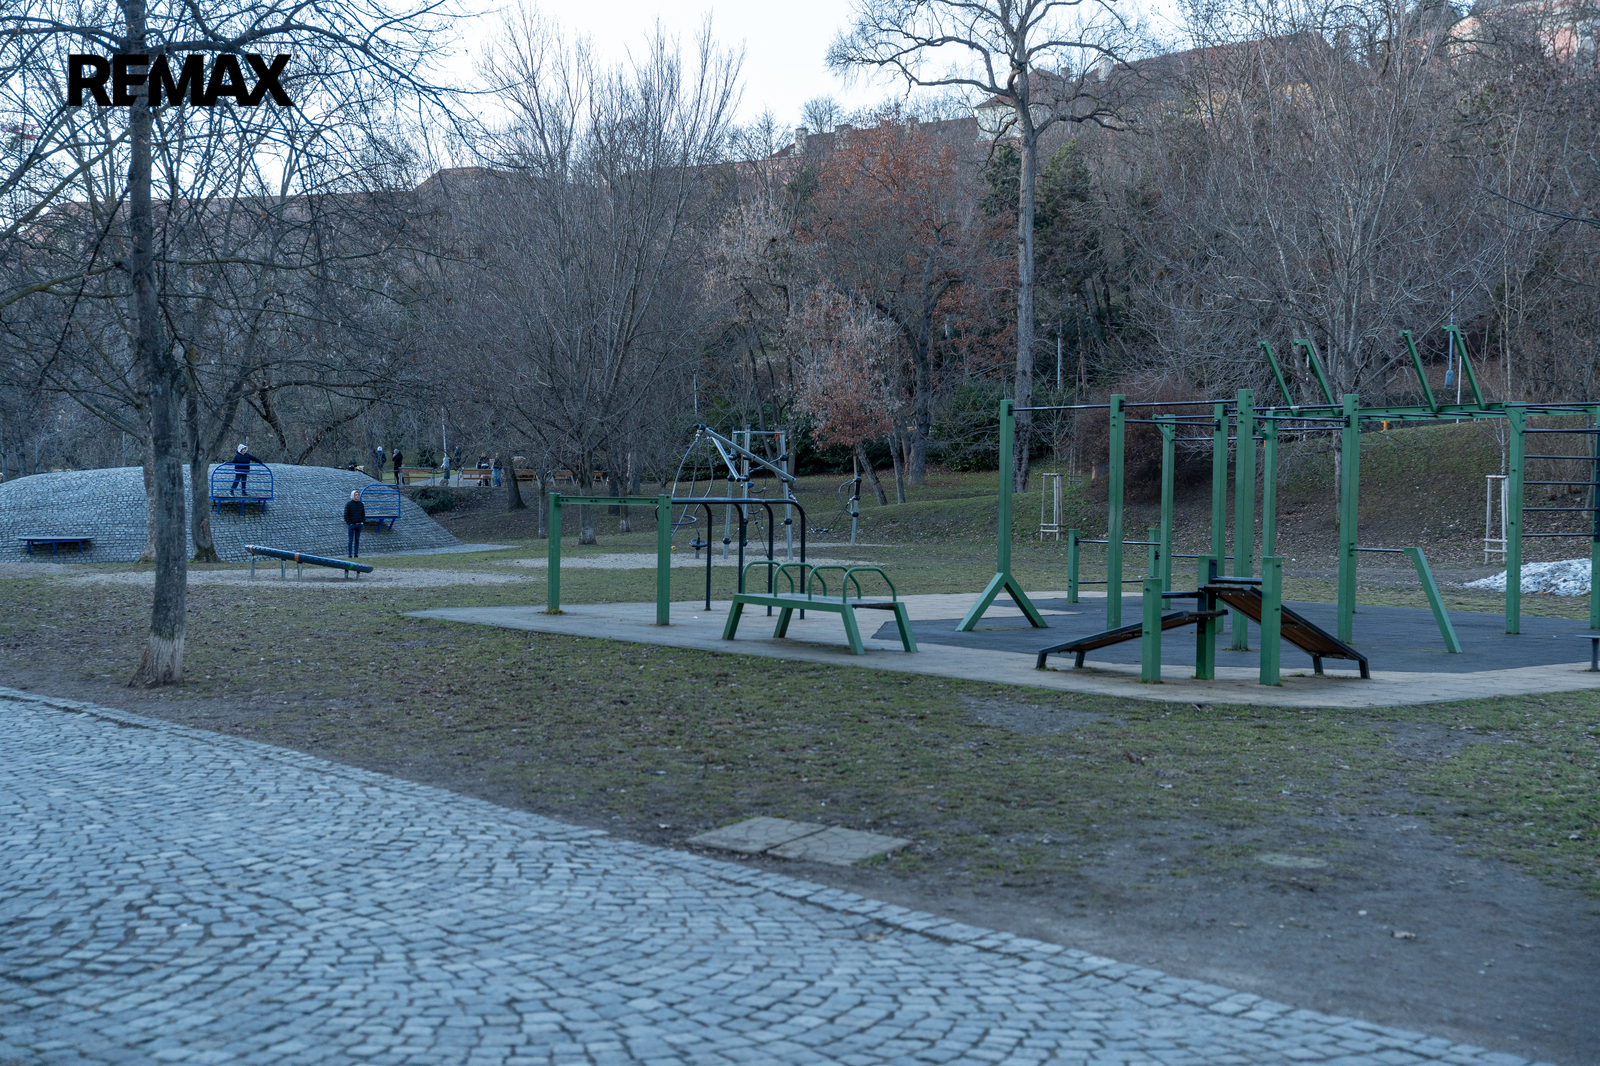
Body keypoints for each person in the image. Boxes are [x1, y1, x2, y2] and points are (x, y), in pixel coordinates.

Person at [343, 489, 366, 558]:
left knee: (357, 540)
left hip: (359, 524)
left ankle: (356, 554)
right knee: (350, 540)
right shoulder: (349, 504)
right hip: (352, 524)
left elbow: (363, 514)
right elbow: (346, 515)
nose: (357, 496)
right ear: (353, 496)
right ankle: (350, 554)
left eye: (358, 495)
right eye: (356, 495)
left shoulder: (361, 504)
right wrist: (350, 523)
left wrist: (362, 522)